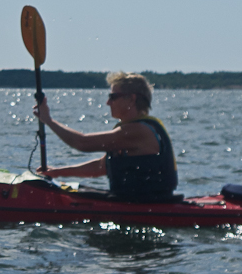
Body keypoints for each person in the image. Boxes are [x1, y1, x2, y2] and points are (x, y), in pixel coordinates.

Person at [33, 71, 178, 201]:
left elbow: (82, 143)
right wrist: (56, 172)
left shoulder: (138, 130)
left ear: (131, 99)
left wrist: (49, 121)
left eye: (113, 96)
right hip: (133, 199)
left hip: (145, 203)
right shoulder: (135, 128)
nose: (108, 102)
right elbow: (102, 166)